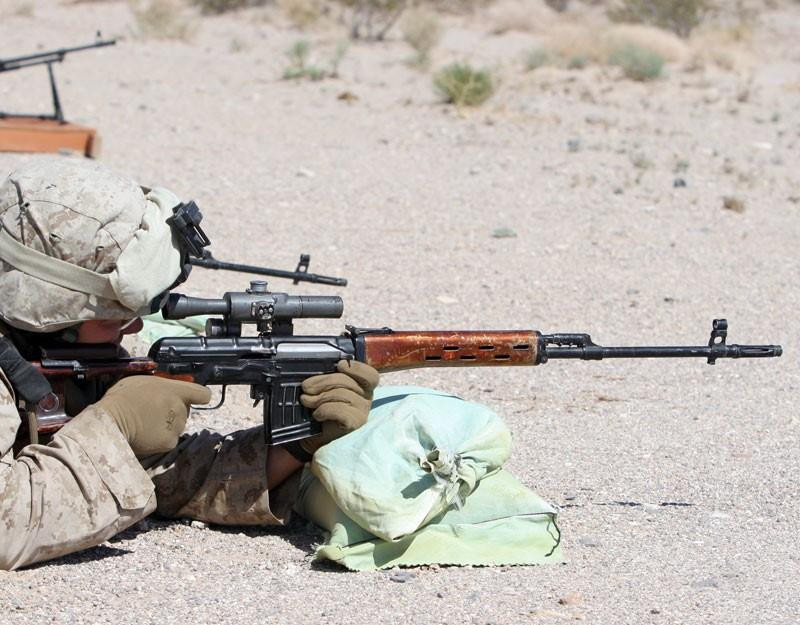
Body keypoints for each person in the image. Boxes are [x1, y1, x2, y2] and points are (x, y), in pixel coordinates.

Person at [0, 157, 379, 570]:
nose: (133, 327)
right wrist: (114, 426)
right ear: (53, 309)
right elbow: (7, 526)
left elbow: (164, 478)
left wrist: (297, 445)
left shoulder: (54, 350)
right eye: (113, 316)